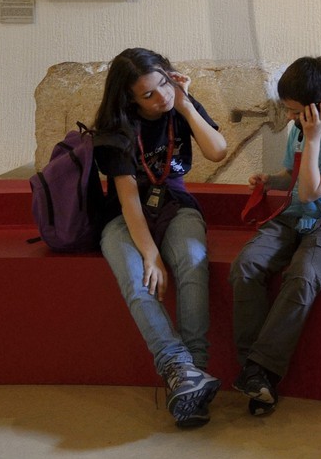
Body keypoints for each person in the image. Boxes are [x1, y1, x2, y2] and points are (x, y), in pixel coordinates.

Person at [91, 47, 229, 429]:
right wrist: (150, 255)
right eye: (149, 94)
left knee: (192, 263)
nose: (162, 97)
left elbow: (218, 151)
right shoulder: (115, 130)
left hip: (175, 203)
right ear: (129, 99)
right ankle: (179, 368)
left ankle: (194, 373)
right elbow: (128, 200)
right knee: (139, 280)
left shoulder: (179, 104)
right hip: (124, 216)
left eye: (164, 84)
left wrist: (186, 106)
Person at [230, 56, 321, 415]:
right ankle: (255, 374)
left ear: (319, 108)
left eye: (295, 111)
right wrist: (271, 181)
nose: (291, 118)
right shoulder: (299, 129)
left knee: (303, 274)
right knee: (246, 265)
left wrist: (313, 139)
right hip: (295, 215)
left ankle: (260, 371)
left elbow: (311, 192)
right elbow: (294, 178)